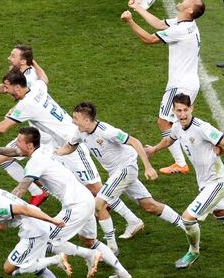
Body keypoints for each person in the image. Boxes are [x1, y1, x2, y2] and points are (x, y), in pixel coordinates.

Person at [0, 71, 143, 241]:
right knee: (5, 158)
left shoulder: (26, 105)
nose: (5, 91)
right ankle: (39, 191)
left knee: (95, 189)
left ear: (17, 87)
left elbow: (2, 128)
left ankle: (131, 219)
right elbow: (43, 78)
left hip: (71, 143)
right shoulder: (37, 87)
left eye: (7, 88)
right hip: (50, 143)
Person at [0, 127, 133, 278]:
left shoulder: (35, 163)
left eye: (19, 140)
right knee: (90, 240)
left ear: (30, 145)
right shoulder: (42, 150)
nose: (15, 144)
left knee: (46, 240)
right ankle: (123, 273)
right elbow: (15, 152)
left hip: (75, 205)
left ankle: (89, 256)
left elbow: (21, 188)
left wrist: (0, 205)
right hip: (86, 198)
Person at [58, 101, 189, 256]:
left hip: (126, 168)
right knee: (149, 205)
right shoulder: (80, 132)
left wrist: (148, 166)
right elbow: (70, 146)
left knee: (98, 204)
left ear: (87, 120)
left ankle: (112, 248)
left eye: (75, 118)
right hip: (116, 172)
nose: (73, 121)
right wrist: (55, 153)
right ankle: (187, 225)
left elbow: (134, 141)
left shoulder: (107, 131)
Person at [145, 94, 224, 268]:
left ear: (191, 109)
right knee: (221, 213)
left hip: (218, 180)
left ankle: (193, 252)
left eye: (185, 110)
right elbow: (169, 139)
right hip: (204, 181)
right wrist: (154, 149)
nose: (182, 114)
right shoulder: (176, 126)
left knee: (188, 219)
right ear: (173, 111)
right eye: (178, 111)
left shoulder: (202, 127)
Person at [120, 0, 204, 175]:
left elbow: (150, 39)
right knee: (178, 122)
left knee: (164, 122)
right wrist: (138, 7)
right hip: (189, 83)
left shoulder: (181, 30)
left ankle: (181, 162)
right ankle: (194, 156)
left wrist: (130, 22)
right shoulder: (185, 23)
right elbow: (158, 24)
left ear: (190, 10)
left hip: (179, 84)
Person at [0, 44, 49, 205]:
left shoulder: (28, 79)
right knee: (5, 158)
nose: (9, 58)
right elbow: (3, 88)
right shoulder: (22, 74)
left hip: (43, 133)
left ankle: (41, 191)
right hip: (37, 128)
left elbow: (21, 106)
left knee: (10, 159)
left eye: (13, 56)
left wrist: (13, 110)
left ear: (23, 61)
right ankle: (39, 191)